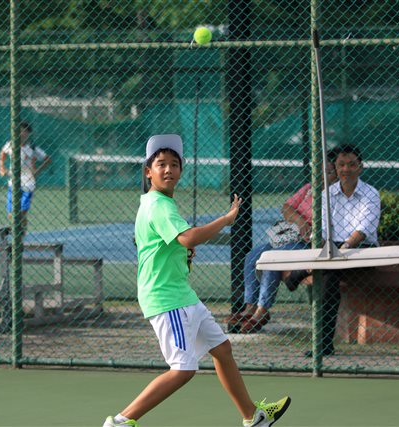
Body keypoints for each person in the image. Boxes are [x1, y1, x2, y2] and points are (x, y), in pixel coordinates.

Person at [103, 134, 291, 427]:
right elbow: (188, 237)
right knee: (182, 369)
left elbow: (171, 246)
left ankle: (252, 417)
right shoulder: (158, 205)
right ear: (148, 171)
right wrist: (226, 219)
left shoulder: (158, 203)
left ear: (181, 170)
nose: (168, 169)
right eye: (161, 164)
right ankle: (120, 422)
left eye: (174, 164)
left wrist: (182, 255)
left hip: (182, 295)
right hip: (167, 299)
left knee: (222, 349)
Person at [230, 152, 339, 334]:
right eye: (320, 171)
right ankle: (250, 307)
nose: (322, 176)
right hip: (289, 236)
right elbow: (287, 207)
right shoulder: (309, 188)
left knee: (273, 259)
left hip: (307, 243)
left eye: (328, 172)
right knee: (252, 256)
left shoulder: (335, 196)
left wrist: (310, 229)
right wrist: (300, 221)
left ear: (336, 175)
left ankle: (262, 310)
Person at [293, 144, 380, 356]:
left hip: (362, 251)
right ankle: (323, 345)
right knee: (329, 279)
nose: (346, 170)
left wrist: (342, 249)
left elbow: (364, 230)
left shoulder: (371, 194)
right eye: (341, 165)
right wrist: (327, 248)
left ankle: (302, 271)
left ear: (360, 167)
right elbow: (322, 229)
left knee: (328, 274)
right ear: (336, 167)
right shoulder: (327, 194)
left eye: (351, 165)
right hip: (333, 253)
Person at [0, 121, 51, 235]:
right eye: (19, 131)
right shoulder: (10, 144)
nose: (21, 133)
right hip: (13, 182)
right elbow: (2, 154)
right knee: (11, 214)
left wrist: (37, 171)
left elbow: (47, 159)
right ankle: (19, 231)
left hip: (28, 183)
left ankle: (21, 233)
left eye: (24, 131)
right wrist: (1, 168)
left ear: (28, 133)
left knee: (22, 212)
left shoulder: (32, 148)